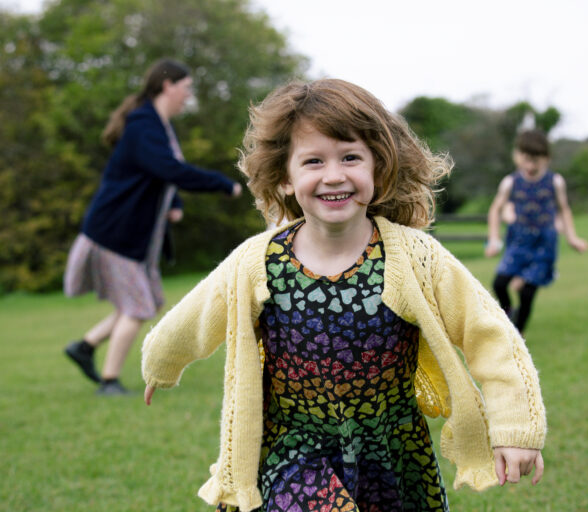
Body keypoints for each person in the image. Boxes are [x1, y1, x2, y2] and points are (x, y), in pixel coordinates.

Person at [142, 79, 546, 512]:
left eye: (350, 157)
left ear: (379, 167)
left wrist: (515, 429)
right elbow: (197, 316)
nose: (334, 175)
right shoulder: (259, 262)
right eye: (313, 161)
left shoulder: (413, 256)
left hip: (391, 456)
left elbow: (491, 334)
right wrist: (160, 361)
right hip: (293, 448)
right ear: (284, 177)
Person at [63, 59, 242, 395]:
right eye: (186, 88)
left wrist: (173, 205)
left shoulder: (157, 125)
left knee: (145, 302)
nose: (188, 96)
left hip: (133, 235)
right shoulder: (144, 125)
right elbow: (168, 169)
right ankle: (109, 380)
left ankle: (85, 346)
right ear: (167, 86)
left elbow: (156, 174)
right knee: (138, 306)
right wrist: (222, 183)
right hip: (115, 232)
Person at [485, 130, 588, 334]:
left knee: (527, 293)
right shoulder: (510, 182)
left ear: (547, 159)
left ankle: (518, 334)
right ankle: (508, 316)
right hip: (518, 241)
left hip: (544, 244)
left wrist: (572, 237)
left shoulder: (555, 182)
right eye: (526, 160)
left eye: (537, 161)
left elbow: (564, 209)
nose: (531, 167)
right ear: (517, 156)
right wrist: (494, 239)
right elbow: (495, 209)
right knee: (499, 283)